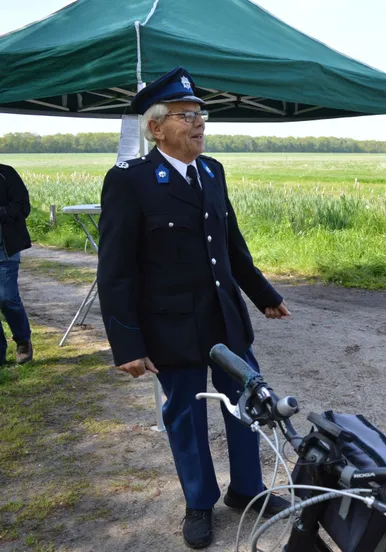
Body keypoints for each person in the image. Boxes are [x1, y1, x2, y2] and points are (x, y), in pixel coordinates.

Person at [97, 67, 291, 549]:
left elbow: (231, 245)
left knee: (248, 403)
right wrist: (127, 343)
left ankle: (247, 490)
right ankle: (199, 501)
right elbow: (115, 270)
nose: (199, 123)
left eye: (201, 115)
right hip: (171, 328)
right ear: (156, 128)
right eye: (186, 116)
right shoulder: (130, 181)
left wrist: (264, 295)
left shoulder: (212, 171)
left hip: (224, 318)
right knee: (185, 415)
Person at [0, 164, 33, 365]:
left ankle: (23, 341)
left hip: (5, 249)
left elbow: (23, 207)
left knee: (7, 298)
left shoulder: (6, 174)